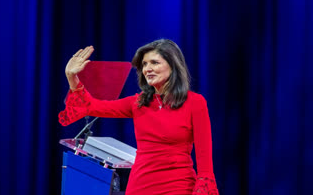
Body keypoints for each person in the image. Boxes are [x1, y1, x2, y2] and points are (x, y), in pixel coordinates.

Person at [59, 39, 219, 195]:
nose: (147, 69)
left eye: (154, 62)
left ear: (173, 65)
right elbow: (90, 106)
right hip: (141, 185)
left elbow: (204, 156)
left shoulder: (195, 103)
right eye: (144, 64)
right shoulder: (137, 103)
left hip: (179, 185)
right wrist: (72, 78)